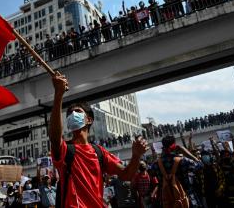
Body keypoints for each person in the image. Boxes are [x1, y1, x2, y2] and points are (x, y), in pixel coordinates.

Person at [50, 72, 148, 207]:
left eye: (78, 112)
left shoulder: (99, 152)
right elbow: (55, 138)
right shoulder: (65, 150)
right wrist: (58, 94)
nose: (73, 115)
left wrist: (136, 156)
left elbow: (126, 175)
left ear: (89, 120)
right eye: (69, 114)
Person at [150, 135, 204, 208]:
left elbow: (151, 172)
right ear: (174, 146)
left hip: (167, 202)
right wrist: (188, 153)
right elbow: (200, 165)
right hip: (185, 199)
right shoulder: (182, 160)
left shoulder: (156, 164)